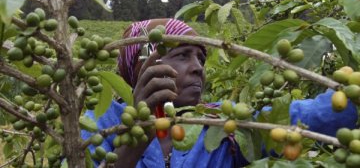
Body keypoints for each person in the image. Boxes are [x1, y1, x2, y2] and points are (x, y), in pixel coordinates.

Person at [81, 18, 358, 167]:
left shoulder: (219, 123)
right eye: (181, 55)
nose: (197, 68)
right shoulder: (102, 122)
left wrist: (353, 97)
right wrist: (137, 136)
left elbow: (302, 118)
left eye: (201, 59)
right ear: (145, 65)